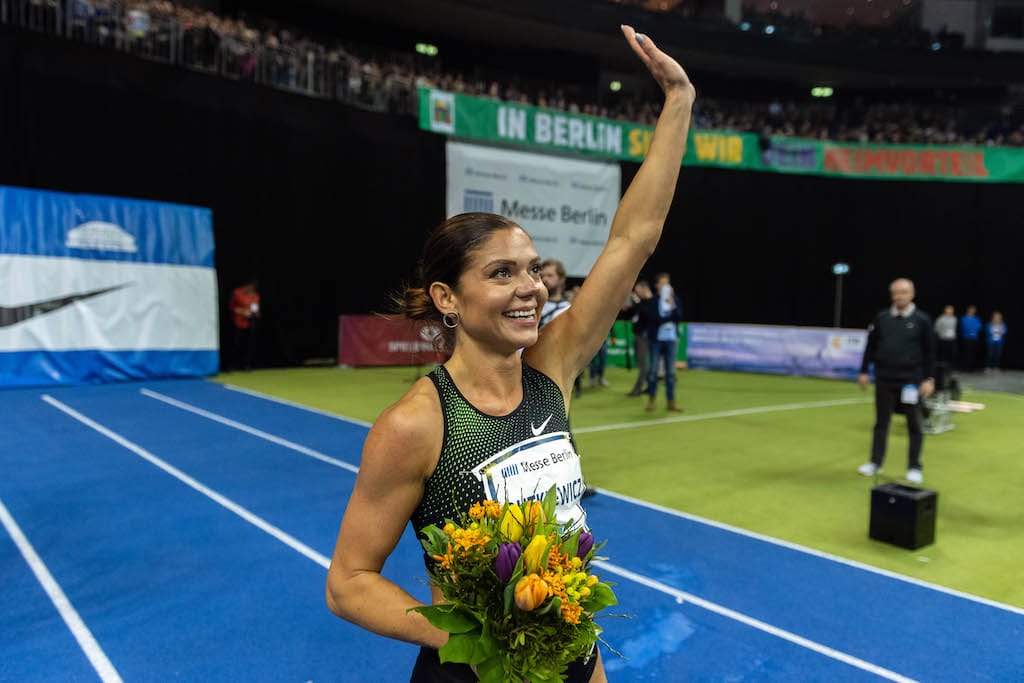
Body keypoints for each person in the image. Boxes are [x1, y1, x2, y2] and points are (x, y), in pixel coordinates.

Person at [325, 25, 694, 683]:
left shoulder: (552, 368)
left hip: (571, 657)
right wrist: (479, 633)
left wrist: (679, 101)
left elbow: (633, 237)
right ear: (448, 296)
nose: (530, 286)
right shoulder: (417, 423)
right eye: (501, 273)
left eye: (532, 269)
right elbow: (349, 581)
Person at [857, 278, 936, 485]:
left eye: (903, 292)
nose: (899, 296)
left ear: (912, 294)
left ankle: (914, 466)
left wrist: (929, 379)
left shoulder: (922, 320)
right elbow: (870, 346)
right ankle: (875, 462)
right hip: (885, 380)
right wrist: (864, 371)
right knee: (881, 423)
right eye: (896, 293)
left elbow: (930, 352)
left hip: (911, 381)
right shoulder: (882, 318)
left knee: (915, 425)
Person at [644, 272, 684, 412]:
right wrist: (669, 317)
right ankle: (651, 401)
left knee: (671, 373)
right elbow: (655, 319)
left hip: (671, 340)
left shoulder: (674, 299)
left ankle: (671, 402)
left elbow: (679, 316)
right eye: (663, 283)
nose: (666, 286)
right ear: (657, 285)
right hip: (656, 340)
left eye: (668, 283)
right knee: (653, 371)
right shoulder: (654, 300)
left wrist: (672, 305)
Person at [623, 279, 654, 396]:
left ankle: (637, 388)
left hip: (644, 337)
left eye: (637, 291)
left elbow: (647, 314)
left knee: (643, 365)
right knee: (641, 363)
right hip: (638, 336)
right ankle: (650, 386)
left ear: (644, 289)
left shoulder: (651, 302)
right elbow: (627, 310)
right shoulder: (641, 303)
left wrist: (636, 302)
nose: (636, 293)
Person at [229, 279, 260, 371]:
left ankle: (246, 365)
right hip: (237, 323)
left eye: (253, 288)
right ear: (246, 285)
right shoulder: (237, 293)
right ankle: (232, 365)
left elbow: (255, 309)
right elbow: (231, 307)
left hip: (250, 324)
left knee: (248, 345)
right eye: (249, 287)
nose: (250, 289)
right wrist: (242, 312)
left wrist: (254, 313)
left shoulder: (255, 296)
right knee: (236, 344)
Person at [539, 258, 570, 328]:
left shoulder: (566, 308)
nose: (544, 279)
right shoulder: (533, 304)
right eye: (542, 276)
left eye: (550, 275)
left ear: (561, 279)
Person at [959, 304, 982, 371]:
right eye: (971, 309)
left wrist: (973, 331)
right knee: (966, 353)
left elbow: (979, 327)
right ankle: (964, 367)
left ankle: (971, 368)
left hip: (974, 338)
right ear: (968, 310)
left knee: (973, 353)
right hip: (966, 338)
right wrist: (970, 331)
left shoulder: (977, 319)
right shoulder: (964, 318)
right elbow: (964, 327)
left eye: (973, 309)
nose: (972, 311)